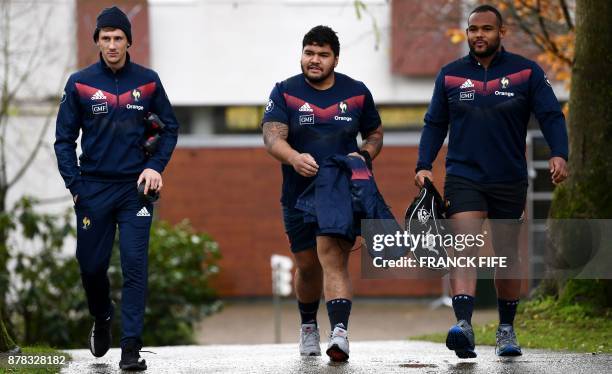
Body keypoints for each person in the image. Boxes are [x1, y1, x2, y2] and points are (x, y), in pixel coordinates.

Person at [415, 5, 568, 358]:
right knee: (464, 244)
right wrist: (424, 164)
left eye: (486, 29)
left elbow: (550, 114)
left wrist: (559, 153)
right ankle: (464, 325)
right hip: (464, 175)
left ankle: (505, 330)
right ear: (467, 33)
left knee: (506, 254)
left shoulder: (526, 72)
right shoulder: (450, 76)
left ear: (502, 32)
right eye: (473, 30)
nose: (478, 35)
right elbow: (434, 124)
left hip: (508, 177)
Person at [54, 6, 179, 371]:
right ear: (97, 41)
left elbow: (170, 128)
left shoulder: (149, 80)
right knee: (91, 267)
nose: (112, 44)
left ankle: (130, 350)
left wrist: (155, 166)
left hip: (135, 189)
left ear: (128, 42)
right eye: (105, 38)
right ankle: (102, 315)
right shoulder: (79, 82)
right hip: (92, 189)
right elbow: (63, 140)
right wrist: (75, 185)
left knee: (135, 267)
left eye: (118, 38)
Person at [261, 25, 383, 362]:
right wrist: (293, 158)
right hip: (296, 193)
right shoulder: (284, 92)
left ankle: (340, 334)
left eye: (323, 55)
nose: (314, 60)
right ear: (302, 54)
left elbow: (374, 132)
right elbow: (273, 137)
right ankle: (308, 326)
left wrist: (366, 153)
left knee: (334, 259)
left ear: (335, 59)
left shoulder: (356, 92)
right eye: (309, 53)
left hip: (338, 193)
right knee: (308, 266)